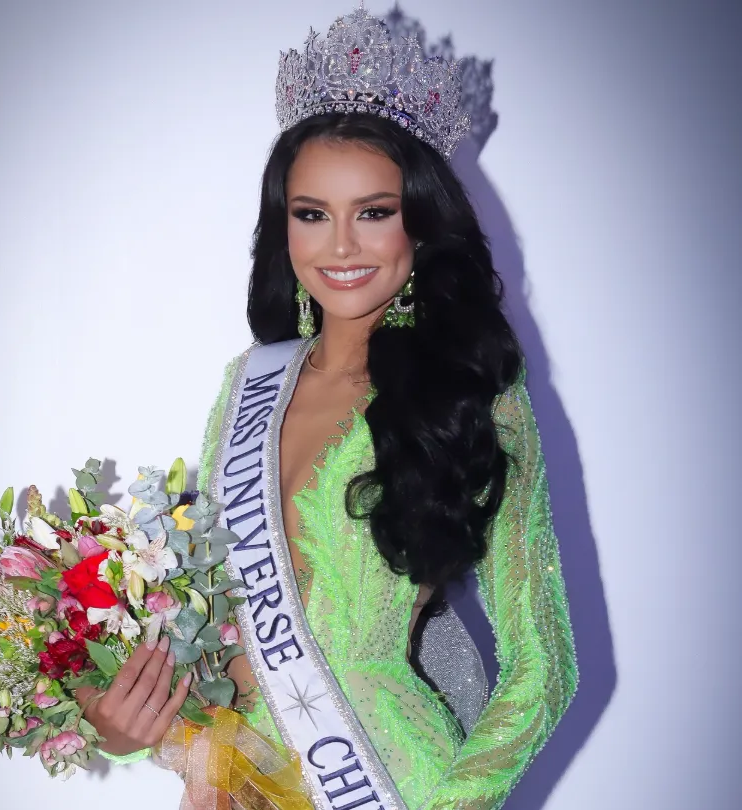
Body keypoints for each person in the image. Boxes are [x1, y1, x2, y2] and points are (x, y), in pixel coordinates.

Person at [80, 6, 578, 808]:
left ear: (419, 224)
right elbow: (211, 625)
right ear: (284, 230)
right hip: (231, 785)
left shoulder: (471, 398)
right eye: (312, 214)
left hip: (384, 783)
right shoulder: (247, 385)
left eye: (373, 212)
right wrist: (118, 724)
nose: (340, 246)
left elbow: (543, 664)